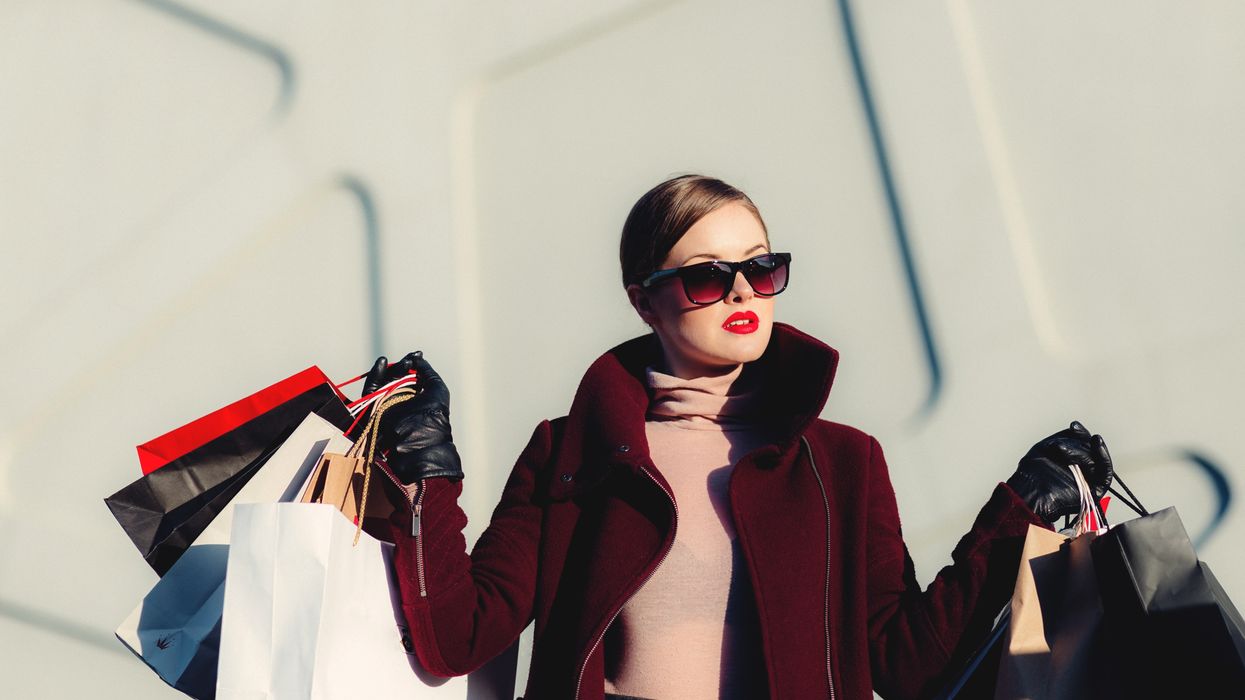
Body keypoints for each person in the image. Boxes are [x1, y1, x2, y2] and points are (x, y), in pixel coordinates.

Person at [363, 175, 1113, 699]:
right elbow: (458, 637)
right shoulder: (572, 452)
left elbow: (904, 664)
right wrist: (428, 468)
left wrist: (1017, 512)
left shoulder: (842, 462)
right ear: (643, 301)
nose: (743, 293)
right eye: (705, 277)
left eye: (761, 267)